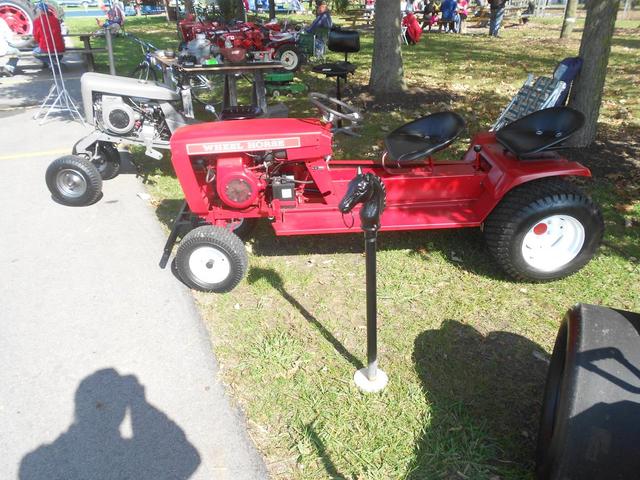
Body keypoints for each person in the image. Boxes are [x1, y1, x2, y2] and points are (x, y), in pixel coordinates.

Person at [32, 4, 65, 68]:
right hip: (60, 47)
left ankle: (52, 63)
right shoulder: (56, 20)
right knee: (44, 48)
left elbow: (36, 37)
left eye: (36, 11)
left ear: (39, 11)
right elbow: (59, 32)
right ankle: (53, 62)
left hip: (47, 48)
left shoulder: (37, 21)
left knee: (35, 52)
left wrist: (39, 41)